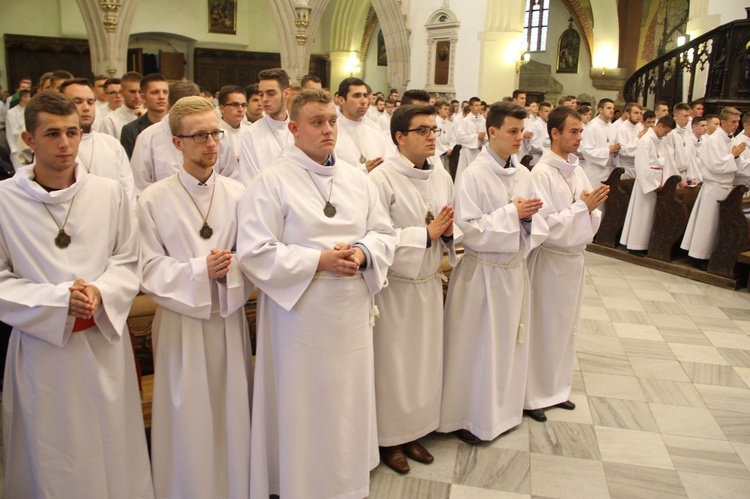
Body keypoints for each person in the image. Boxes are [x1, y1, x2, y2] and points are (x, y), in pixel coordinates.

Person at [237, 88, 395, 498]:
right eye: (317, 122)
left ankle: (346, 483)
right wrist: (319, 260)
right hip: (300, 318)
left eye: (332, 121)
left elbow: (382, 233)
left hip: (351, 312)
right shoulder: (269, 182)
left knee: (346, 402)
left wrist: (362, 253)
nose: (328, 130)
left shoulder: (357, 178)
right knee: (305, 407)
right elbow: (255, 253)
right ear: (293, 128)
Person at [0, 90, 153, 498]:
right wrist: (57, 300)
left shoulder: (109, 193)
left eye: (73, 132)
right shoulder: (4, 201)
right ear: (28, 140)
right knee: (53, 451)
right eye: (52, 134)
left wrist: (101, 292)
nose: (66, 143)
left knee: (112, 443)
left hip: (103, 342)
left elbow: (128, 260)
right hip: (43, 348)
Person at [138, 96, 253, 499]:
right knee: (186, 415)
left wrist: (232, 267)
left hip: (226, 317)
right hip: (180, 323)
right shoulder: (152, 199)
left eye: (215, 133)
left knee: (232, 409)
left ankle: (236, 487)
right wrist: (197, 270)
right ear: (176, 143)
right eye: (200, 135)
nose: (210, 143)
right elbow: (147, 269)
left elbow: (255, 257)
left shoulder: (240, 194)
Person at [438, 101, 548, 444]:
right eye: (512, 131)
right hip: (482, 274)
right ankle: (470, 417)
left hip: (513, 272)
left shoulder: (525, 174)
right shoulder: (473, 174)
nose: (519, 137)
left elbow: (538, 222)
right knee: (478, 346)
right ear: (492, 133)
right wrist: (513, 214)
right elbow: (468, 230)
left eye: (521, 130)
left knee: (507, 345)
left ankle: (503, 411)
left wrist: (526, 218)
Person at [368, 104, 461, 473]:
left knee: (422, 361)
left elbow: (451, 224)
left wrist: (450, 233)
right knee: (395, 366)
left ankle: (414, 431)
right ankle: (388, 439)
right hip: (395, 288)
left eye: (434, 130)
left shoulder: (441, 176)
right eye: (422, 130)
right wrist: (426, 233)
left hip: (426, 285)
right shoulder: (380, 180)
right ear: (399, 137)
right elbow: (375, 236)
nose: (431, 137)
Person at [524, 106, 607, 422]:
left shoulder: (577, 169)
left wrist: (588, 210)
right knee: (543, 326)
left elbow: (591, 212)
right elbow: (543, 226)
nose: (579, 137)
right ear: (555, 133)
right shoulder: (540, 174)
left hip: (574, 261)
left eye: (581, 131)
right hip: (551, 262)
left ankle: (557, 390)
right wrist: (581, 209)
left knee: (565, 327)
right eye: (573, 131)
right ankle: (533, 395)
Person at [130, 80, 239, 196]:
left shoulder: (218, 134)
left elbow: (231, 174)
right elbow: (139, 186)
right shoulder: (148, 137)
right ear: (171, 107)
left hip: (213, 200)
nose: (210, 142)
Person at [681, 107, 749, 268]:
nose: (736, 125)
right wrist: (734, 156)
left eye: (738, 122)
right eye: (733, 122)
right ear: (723, 121)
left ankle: (714, 255)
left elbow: (738, 167)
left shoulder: (731, 140)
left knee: (718, 225)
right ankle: (699, 257)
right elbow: (715, 165)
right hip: (714, 188)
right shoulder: (712, 140)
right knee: (707, 224)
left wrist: (737, 158)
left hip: (727, 188)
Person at [60, 78, 136, 203]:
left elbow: (127, 191)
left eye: (90, 102)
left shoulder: (112, 145)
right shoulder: (57, 147)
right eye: (77, 102)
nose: (86, 108)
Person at [620, 116, 676, 257]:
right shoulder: (645, 140)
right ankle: (635, 245)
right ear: (660, 125)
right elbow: (642, 165)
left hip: (658, 182)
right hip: (647, 183)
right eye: (666, 131)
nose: (666, 135)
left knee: (650, 216)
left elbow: (667, 163)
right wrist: (653, 184)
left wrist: (668, 181)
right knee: (642, 214)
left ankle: (645, 243)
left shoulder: (661, 142)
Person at [238, 68, 292, 183]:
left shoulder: (300, 128)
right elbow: (250, 181)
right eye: (261, 94)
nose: (264, 99)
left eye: (271, 94)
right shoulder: (250, 134)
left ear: (286, 93)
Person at [334, 77, 391, 173]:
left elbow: (387, 167)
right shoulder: (331, 133)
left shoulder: (375, 133)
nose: (364, 101)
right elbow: (331, 173)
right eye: (356, 96)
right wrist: (363, 170)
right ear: (341, 100)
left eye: (365, 96)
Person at [120, 73, 169, 159]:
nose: (161, 97)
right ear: (143, 98)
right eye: (155, 92)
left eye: (165, 92)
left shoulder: (178, 126)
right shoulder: (131, 130)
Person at [582, 98, 620, 187]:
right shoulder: (592, 126)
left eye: (613, 108)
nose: (612, 111)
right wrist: (608, 150)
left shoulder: (613, 127)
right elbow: (587, 151)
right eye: (609, 108)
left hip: (610, 170)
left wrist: (617, 149)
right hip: (596, 171)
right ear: (600, 110)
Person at [663, 102, 702, 186]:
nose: (688, 119)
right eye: (685, 116)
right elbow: (669, 158)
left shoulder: (686, 133)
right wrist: (678, 179)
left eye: (689, 116)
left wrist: (691, 177)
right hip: (672, 176)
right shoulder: (670, 133)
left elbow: (690, 157)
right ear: (676, 116)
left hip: (685, 175)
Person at [100, 71, 143, 140]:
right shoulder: (110, 120)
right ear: (122, 92)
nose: (137, 96)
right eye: (132, 92)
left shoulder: (150, 115)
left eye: (140, 92)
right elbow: (108, 148)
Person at [454, 96, 487, 182]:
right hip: (468, 152)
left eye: (480, 105)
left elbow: (486, 136)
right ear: (470, 107)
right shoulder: (465, 121)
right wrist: (476, 137)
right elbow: (460, 138)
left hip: (479, 151)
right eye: (476, 105)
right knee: (466, 174)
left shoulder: (483, 120)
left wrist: (484, 137)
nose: (479, 107)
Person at [217, 84, 248, 160]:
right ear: (222, 108)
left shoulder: (250, 130)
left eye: (243, 105)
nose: (240, 109)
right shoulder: (214, 132)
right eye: (235, 105)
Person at [617, 103, 646, 179]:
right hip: (625, 168)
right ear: (627, 114)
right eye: (636, 113)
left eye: (640, 113)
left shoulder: (640, 127)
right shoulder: (621, 128)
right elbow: (623, 150)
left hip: (638, 167)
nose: (639, 115)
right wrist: (637, 138)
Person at [5, 88, 30, 169]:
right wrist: (14, 149)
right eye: (27, 97)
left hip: (28, 147)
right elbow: (10, 132)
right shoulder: (11, 112)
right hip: (16, 147)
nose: (29, 99)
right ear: (22, 98)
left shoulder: (30, 111)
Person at [435, 100, 457, 171]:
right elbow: (435, 138)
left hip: (448, 152)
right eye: (445, 109)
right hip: (437, 152)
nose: (447, 111)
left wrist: (451, 149)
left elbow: (453, 138)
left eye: (448, 109)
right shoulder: (434, 122)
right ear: (438, 110)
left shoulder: (450, 124)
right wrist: (444, 151)